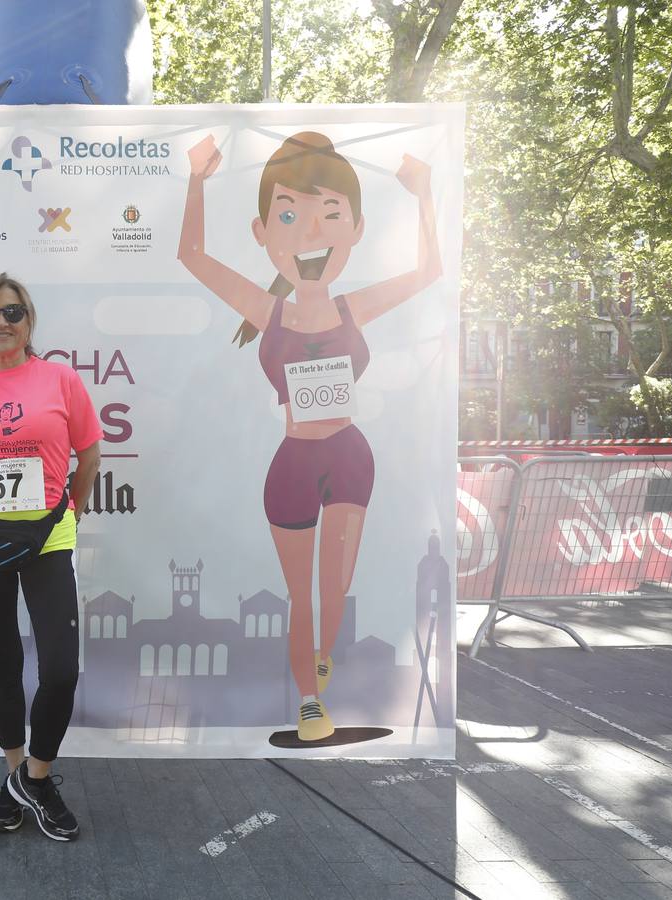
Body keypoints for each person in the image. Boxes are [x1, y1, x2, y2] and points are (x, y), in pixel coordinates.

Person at [177, 131, 441, 741]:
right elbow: (192, 256)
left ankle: (320, 666)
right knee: (302, 594)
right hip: (294, 463)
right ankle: (310, 701)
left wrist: (424, 193)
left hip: (348, 457)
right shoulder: (266, 311)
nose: (309, 235)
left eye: (329, 216)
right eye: (289, 216)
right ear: (262, 232)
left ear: (354, 228)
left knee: (335, 587)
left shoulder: (355, 308)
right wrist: (195, 180)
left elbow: (430, 269)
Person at [0, 273, 102, 841]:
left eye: (11, 312)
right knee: (5, 662)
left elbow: (87, 455)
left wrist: (72, 512)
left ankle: (33, 781)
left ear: (29, 320)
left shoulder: (61, 380)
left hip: (49, 538)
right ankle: (17, 775)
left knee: (61, 668)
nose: (0, 324)